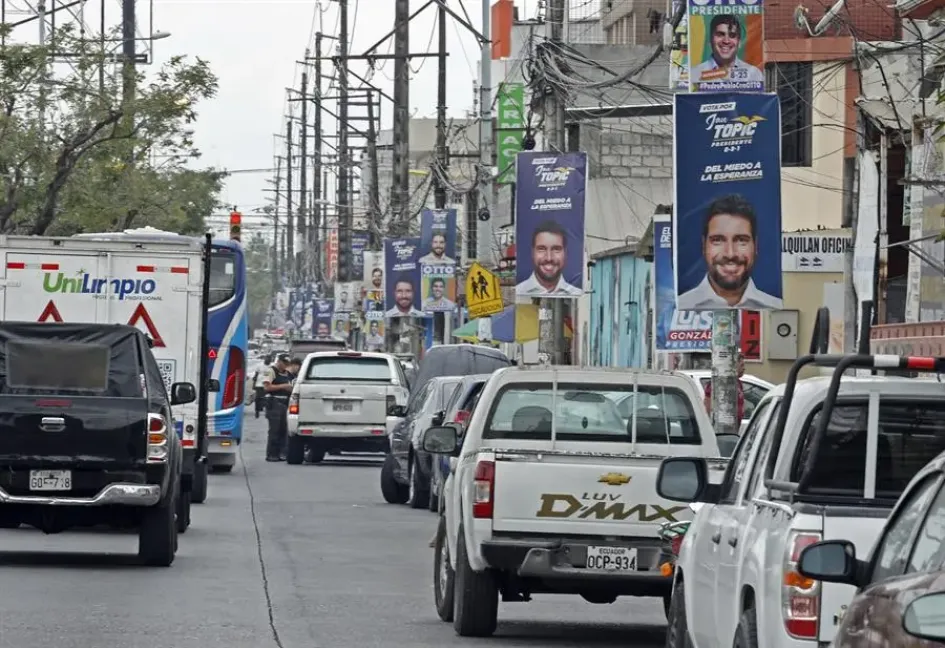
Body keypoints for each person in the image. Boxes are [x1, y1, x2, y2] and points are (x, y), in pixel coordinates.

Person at [677, 194, 782, 310]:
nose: (730, 254)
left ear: (755, 246)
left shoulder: (775, 309)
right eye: (718, 240)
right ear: (704, 246)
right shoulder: (679, 309)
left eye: (741, 240)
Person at [690, 14, 764, 87]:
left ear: (740, 42)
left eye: (732, 35)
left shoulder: (754, 74)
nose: (726, 41)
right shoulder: (695, 74)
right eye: (720, 34)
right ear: (710, 40)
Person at [515, 220, 583, 296]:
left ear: (565, 253)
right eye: (542, 249)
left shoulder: (577, 293)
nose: (549, 258)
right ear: (533, 252)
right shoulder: (518, 291)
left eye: (556, 249)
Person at [262, 353, 294, 462]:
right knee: (274, 430)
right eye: (284, 363)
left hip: (286, 403)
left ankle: (282, 453)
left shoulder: (288, 374)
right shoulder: (271, 371)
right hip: (274, 402)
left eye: (287, 364)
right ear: (279, 361)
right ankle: (272, 454)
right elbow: (267, 387)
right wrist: (284, 386)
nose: (285, 366)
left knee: (284, 430)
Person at [704, 353, 745, 422]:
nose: (744, 368)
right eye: (742, 365)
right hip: (723, 426)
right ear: (733, 365)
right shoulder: (718, 383)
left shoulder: (738, 383)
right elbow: (708, 406)